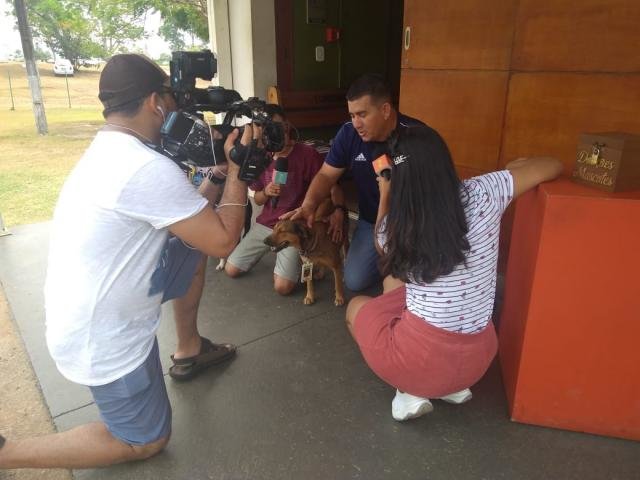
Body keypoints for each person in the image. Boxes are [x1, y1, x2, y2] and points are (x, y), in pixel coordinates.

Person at [0, 53, 260, 469]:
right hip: (104, 337)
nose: (174, 113)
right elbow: (225, 241)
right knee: (145, 439)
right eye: (171, 104)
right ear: (155, 103)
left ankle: (188, 347)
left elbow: (187, 219)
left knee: (193, 244)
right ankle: (6, 453)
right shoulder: (145, 167)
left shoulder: (111, 149)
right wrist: (237, 171)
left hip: (92, 306)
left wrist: (214, 173)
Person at [345, 125, 563, 422]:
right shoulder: (487, 190)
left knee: (357, 308)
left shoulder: (395, 227)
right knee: (393, 282)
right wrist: (513, 169)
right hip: (478, 359)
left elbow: (381, 245)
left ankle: (408, 390)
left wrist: (385, 192)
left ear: (401, 178)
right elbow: (552, 165)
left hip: (421, 363)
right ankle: (451, 387)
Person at [288, 73, 424, 292]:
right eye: (352, 115)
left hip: (410, 223)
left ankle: (398, 262)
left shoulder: (417, 136)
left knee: (409, 283)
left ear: (385, 110)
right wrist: (309, 205)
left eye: (362, 114)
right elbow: (326, 175)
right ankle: (388, 260)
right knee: (354, 280)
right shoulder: (348, 134)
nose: (356, 123)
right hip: (370, 222)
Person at [224, 104, 325, 295]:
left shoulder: (307, 154)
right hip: (267, 222)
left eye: (282, 126)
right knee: (231, 269)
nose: (280, 132)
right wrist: (267, 192)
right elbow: (259, 200)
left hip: (293, 225)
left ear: (288, 125)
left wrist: (330, 212)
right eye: (272, 128)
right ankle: (283, 261)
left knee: (282, 287)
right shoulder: (261, 156)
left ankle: (296, 265)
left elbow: (324, 189)